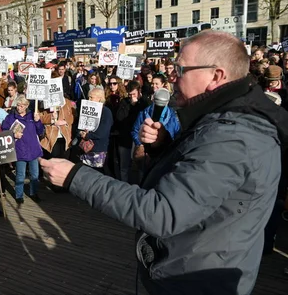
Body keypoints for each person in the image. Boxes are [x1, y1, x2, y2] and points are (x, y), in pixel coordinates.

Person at [39, 30, 288, 295]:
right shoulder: (225, 118)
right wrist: (165, 146)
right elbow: (200, 182)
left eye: (181, 69)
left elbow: (163, 212)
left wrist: (76, 176)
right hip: (191, 263)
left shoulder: (234, 137)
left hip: (196, 280)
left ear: (216, 76)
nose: (172, 77)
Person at [1, 97, 44, 204]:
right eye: (18, 105)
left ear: (26, 106)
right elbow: (4, 131)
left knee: (35, 175)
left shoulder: (32, 116)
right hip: (20, 149)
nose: (19, 108)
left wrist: (38, 121)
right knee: (20, 175)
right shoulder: (10, 118)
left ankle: (34, 193)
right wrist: (13, 134)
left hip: (33, 149)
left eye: (22, 106)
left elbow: (40, 131)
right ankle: (19, 195)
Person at [75, 88, 113, 171]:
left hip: (97, 149)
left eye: (91, 97)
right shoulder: (85, 109)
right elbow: (79, 125)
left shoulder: (106, 112)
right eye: (89, 97)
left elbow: (103, 131)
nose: (89, 99)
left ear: (99, 98)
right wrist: (81, 133)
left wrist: (88, 135)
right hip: (84, 148)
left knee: (96, 174)